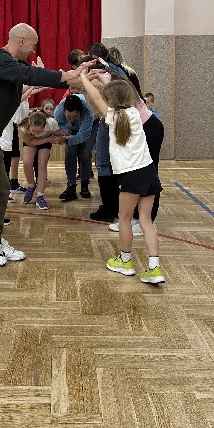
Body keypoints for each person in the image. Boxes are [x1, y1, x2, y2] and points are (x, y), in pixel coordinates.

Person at [0, 23, 91, 268]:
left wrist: (72, 80)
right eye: (32, 45)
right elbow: (28, 74)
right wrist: (66, 76)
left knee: (2, 189)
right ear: (21, 41)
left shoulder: (10, 68)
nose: (33, 50)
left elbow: (25, 82)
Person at [80, 70, 165, 284]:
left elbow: (96, 97)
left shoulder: (113, 116)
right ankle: (154, 268)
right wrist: (104, 79)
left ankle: (125, 262)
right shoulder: (136, 112)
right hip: (149, 173)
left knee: (124, 219)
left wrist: (82, 77)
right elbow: (120, 89)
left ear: (110, 100)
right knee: (145, 220)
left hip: (131, 176)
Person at [19, 109, 65, 210]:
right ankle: (31, 186)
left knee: (42, 163)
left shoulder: (51, 123)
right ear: (29, 124)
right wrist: (47, 139)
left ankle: (40, 195)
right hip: (33, 141)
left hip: (45, 141)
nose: (36, 133)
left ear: (45, 125)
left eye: (39, 131)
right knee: (27, 162)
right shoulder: (24, 125)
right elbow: (30, 142)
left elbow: (59, 134)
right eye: (33, 130)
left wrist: (62, 138)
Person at [54, 93, 96, 201]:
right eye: (69, 117)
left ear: (80, 112)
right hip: (72, 129)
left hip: (91, 126)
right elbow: (59, 124)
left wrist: (66, 139)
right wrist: (65, 131)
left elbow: (83, 136)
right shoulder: (58, 111)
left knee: (85, 154)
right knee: (70, 153)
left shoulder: (88, 112)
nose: (72, 119)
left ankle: (84, 185)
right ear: (64, 111)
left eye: (75, 116)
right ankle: (71, 186)